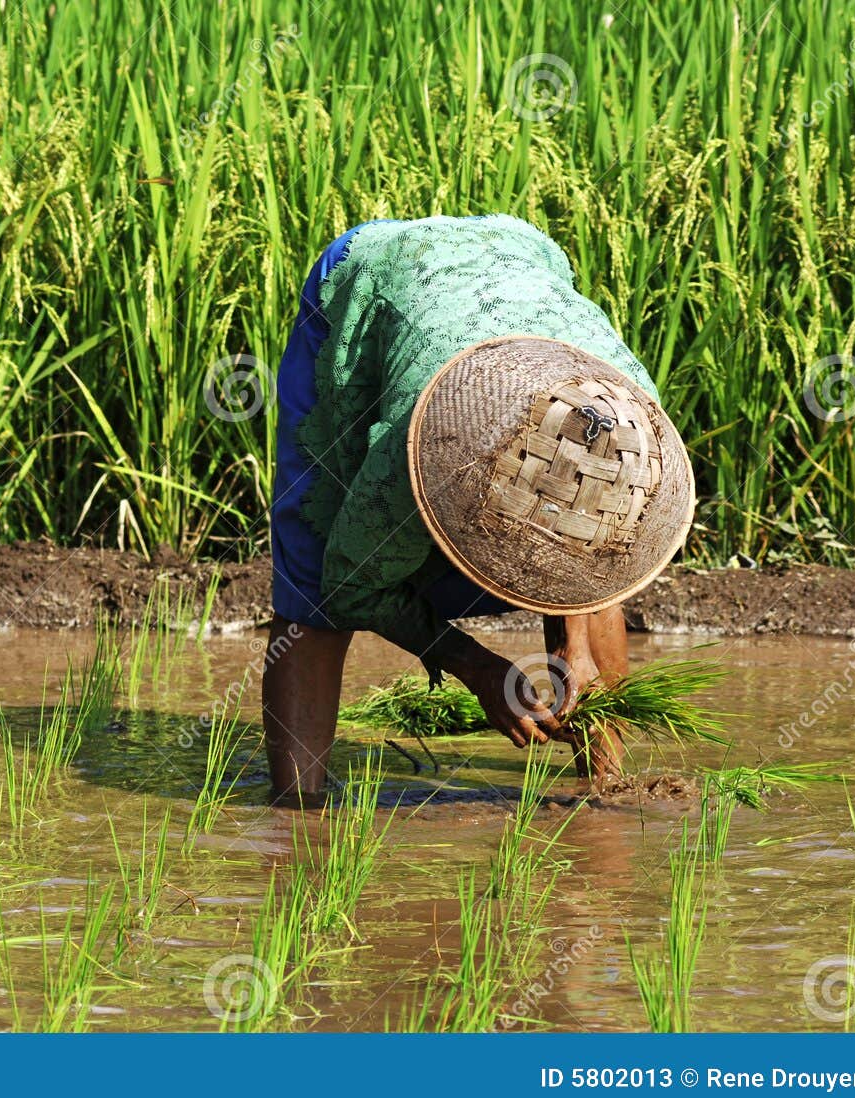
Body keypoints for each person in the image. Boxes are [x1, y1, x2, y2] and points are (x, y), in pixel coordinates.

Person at [262, 216, 694, 806]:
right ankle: (296, 809)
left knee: (592, 552)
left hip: (520, 252)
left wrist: (576, 649)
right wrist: (478, 669)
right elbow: (347, 584)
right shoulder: (419, 443)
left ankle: (605, 787)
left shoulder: (635, 422)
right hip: (379, 278)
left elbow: (596, 543)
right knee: (311, 577)